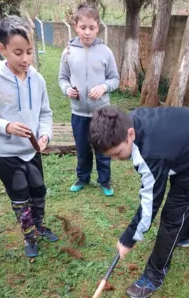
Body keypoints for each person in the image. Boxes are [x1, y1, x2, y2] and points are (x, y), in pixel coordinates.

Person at [89, 105, 189, 298]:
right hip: (181, 149)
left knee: (172, 217)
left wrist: (129, 238)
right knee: (180, 207)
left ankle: (154, 276)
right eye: (111, 156)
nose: (116, 159)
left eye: (118, 152)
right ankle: (183, 237)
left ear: (130, 134)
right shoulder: (130, 122)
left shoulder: (151, 153)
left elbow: (150, 203)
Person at [0, 15, 59, 258]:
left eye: (29, 51)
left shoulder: (37, 80)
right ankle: (29, 236)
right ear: (2, 49)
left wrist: (45, 135)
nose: (26, 59)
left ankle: (38, 226)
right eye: (18, 52)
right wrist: (6, 126)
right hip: (7, 155)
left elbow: (46, 113)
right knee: (20, 196)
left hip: (32, 152)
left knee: (38, 190)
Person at [59, 3, 120, 196]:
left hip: (102, 112)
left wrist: (103, 87)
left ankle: (105, 180)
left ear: (98, 27)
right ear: (75, 26)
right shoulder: (68, 52)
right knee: (83, 149)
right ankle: (82, 178)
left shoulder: (106, 52)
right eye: (83, 27)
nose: (87, 33)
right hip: (79, 113)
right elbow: (62, 78)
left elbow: (115, 79)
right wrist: (67, 89)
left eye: (91, 28)